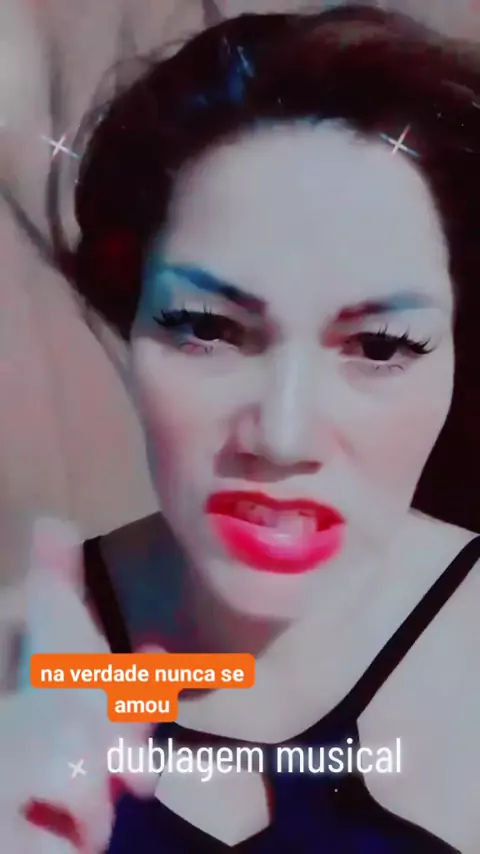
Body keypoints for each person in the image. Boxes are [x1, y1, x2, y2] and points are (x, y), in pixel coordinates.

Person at [2, 4, 480, 852]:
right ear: (131, 322)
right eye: (207, 328)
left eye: (380, 346)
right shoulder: (24, 673)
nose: (283, 437)